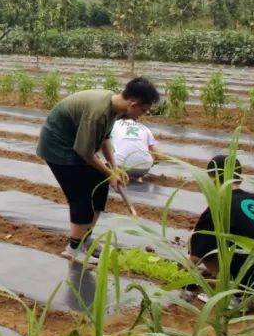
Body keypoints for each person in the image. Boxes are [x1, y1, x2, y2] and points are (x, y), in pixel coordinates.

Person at [36, 77, 161, 265]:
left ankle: (85, 240)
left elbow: (105, 137)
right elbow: (85, 153)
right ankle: (73, 249)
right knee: (81, 196)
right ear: (133, 104)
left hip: (76, 145)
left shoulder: (114, 107)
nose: (142, 115)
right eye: (143, 110)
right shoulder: (98, 113)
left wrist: (114, 168)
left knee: (100, 186)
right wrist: (110, 173)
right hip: (58, 148)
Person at [189, 155, 254, 312]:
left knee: (205, 243)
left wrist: (184, 277)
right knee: (252, 243)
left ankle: (230, 296)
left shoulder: (220, 206)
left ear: (214, 178)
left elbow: (197, 255)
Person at [111, 116, 165, 181]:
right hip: (142, 169)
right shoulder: (145, 128)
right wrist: (152, 163)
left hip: (118, 167)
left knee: (108, 146)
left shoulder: (113, 125)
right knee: (150, 151)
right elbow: (160, 156)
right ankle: (138, 177)